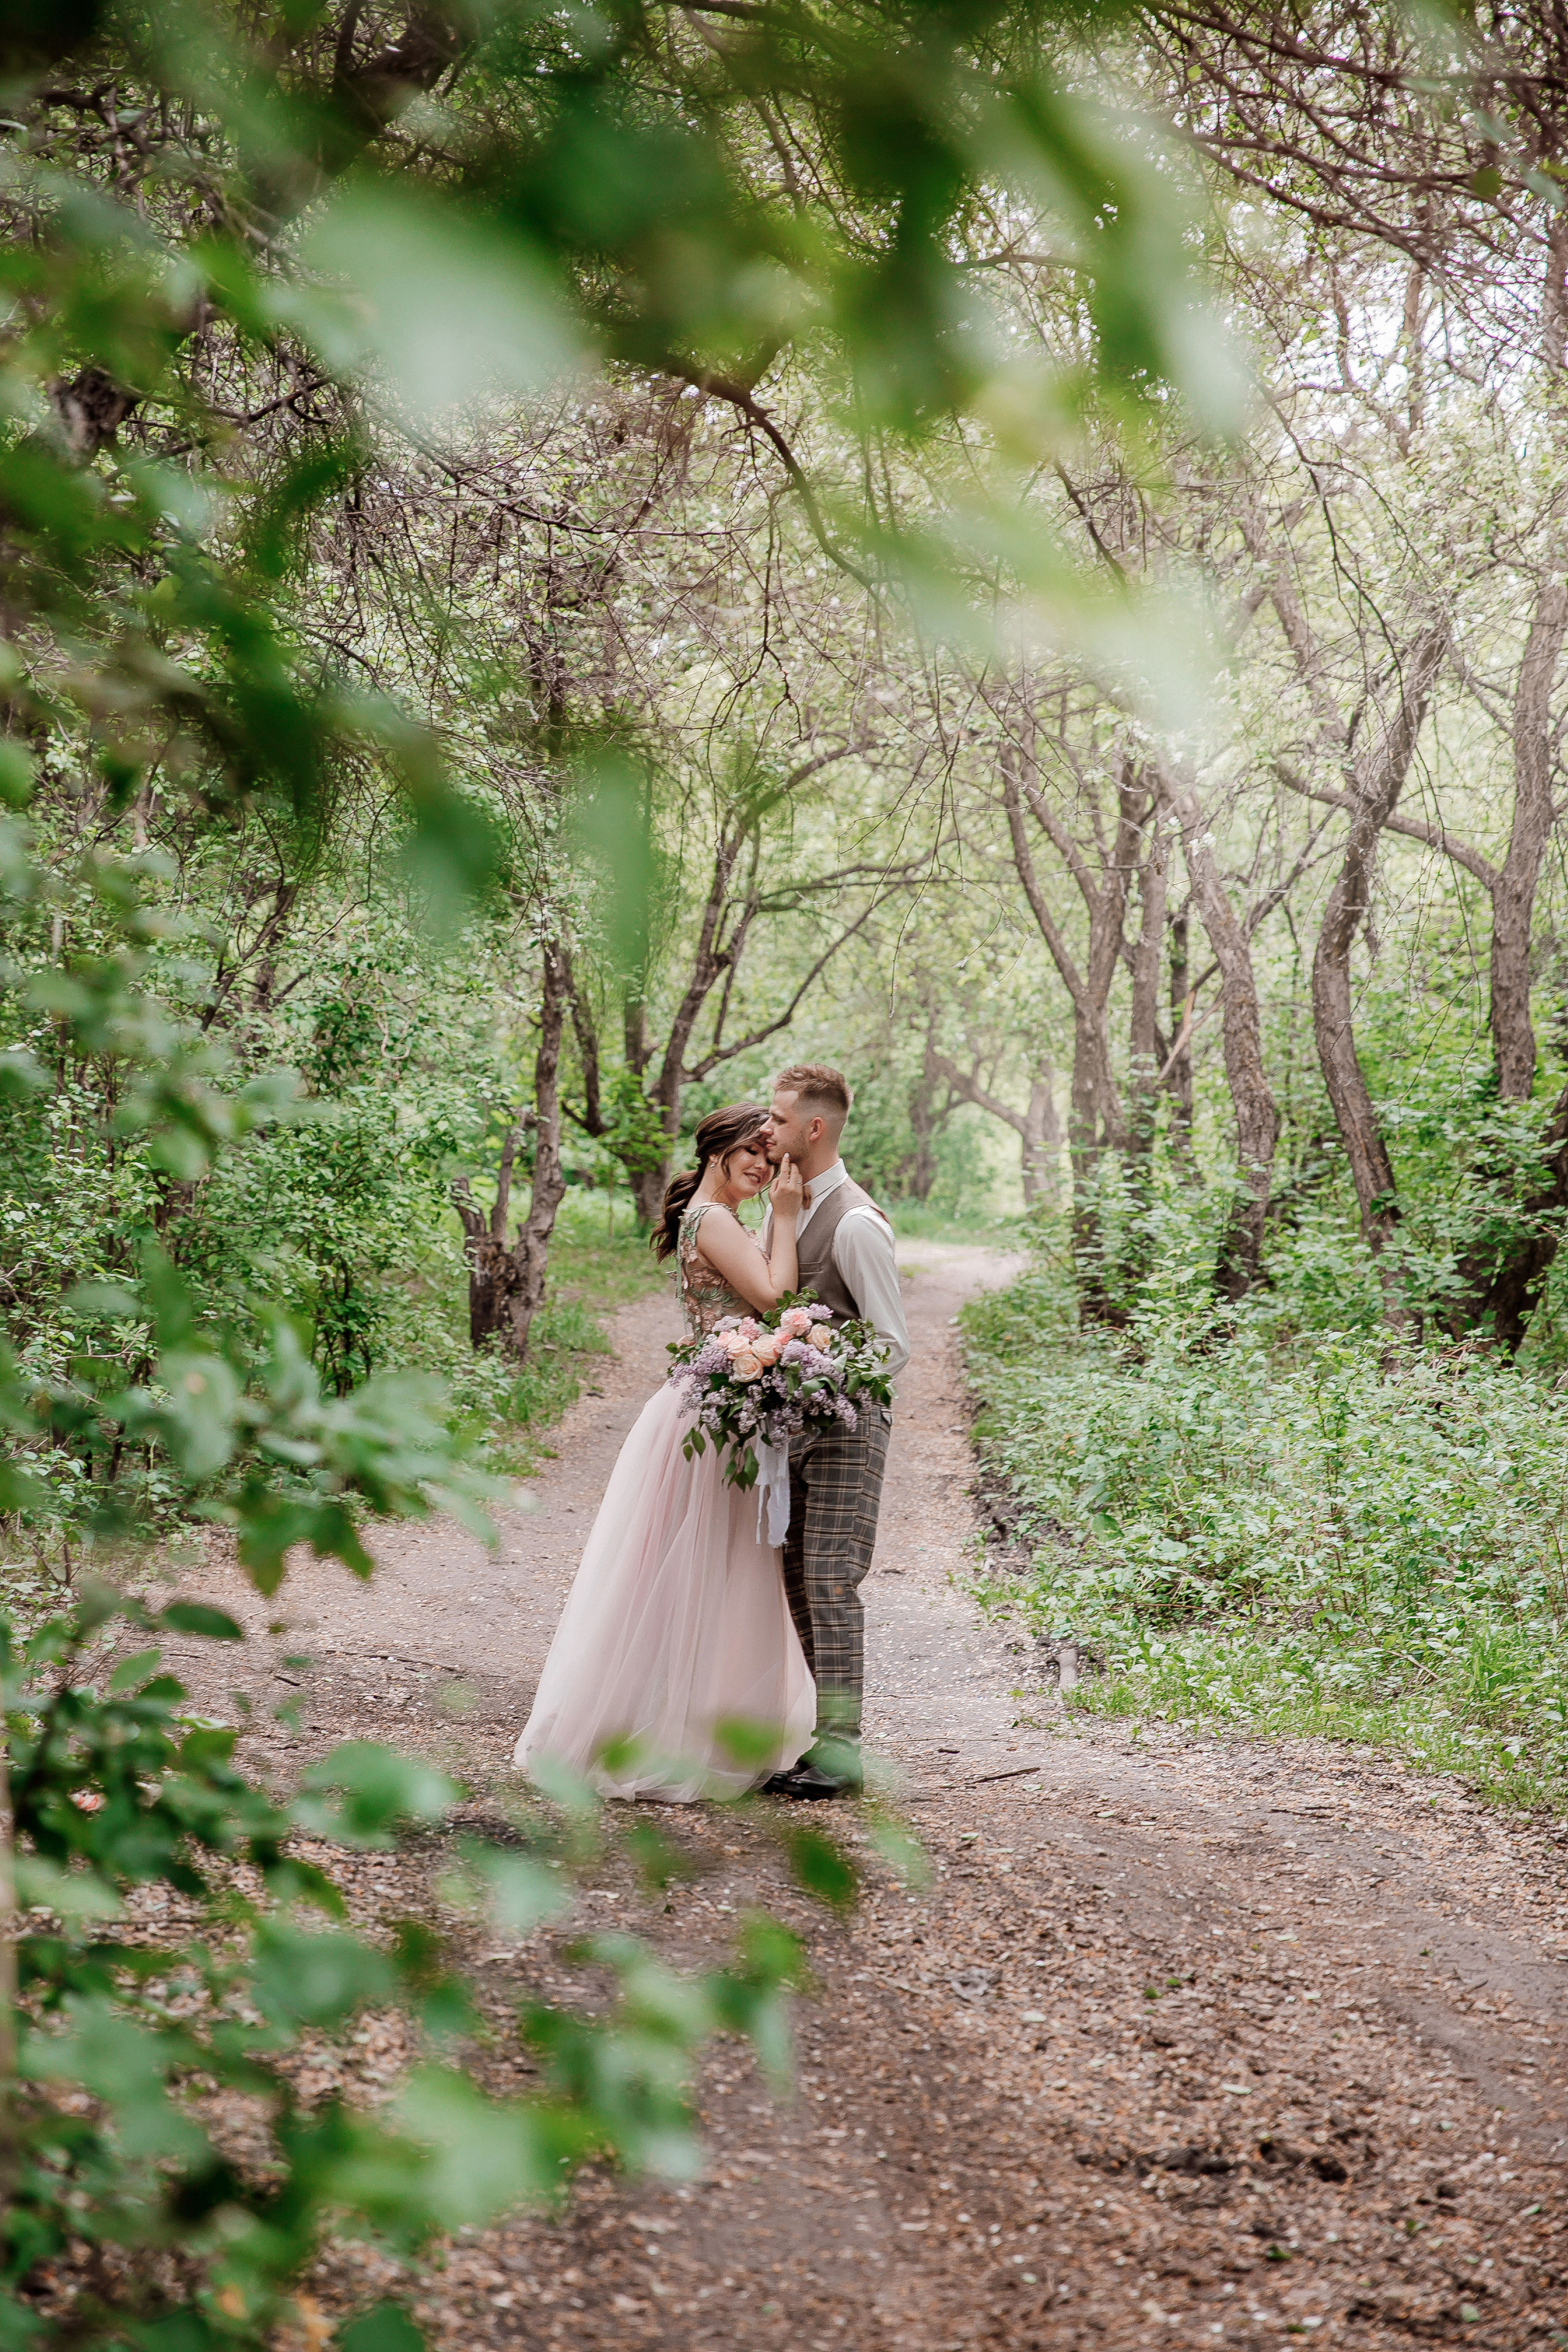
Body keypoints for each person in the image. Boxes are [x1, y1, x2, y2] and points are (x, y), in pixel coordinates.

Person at [514, 1103, 815, 1801]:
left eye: (770, 1158)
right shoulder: (711, 1220)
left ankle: (697, 1721)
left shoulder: (714, 1218)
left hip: (711, 1404)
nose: (763, 1168)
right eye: (752, 1152)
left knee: (714, 1568)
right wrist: (791, 1217)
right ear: (718, 1151)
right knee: (704, 1566)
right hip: (709, 1415)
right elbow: (775, 1294)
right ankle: (673, 1733)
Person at [758, 1063, 910, 1800]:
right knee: (795, 1579)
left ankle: (842, 1752)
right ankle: (827, 1742)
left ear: (813, 1129)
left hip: (851, 1425)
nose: (768, 1131)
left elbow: (890, 1345)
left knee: (830, 1580)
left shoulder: (853, 1221)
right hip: (794, 1425)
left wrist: (817, 1371)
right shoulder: (785, 1205)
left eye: (780, 1121)